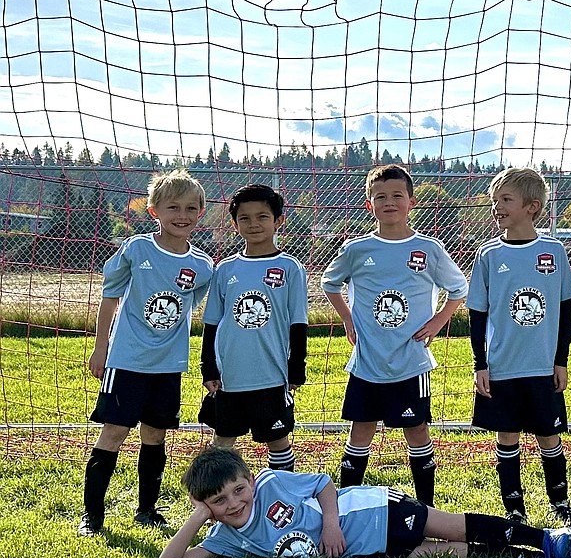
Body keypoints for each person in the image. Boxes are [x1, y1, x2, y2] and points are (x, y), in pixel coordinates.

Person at [156, 447, 571, 558]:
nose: (233, 503)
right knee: (439, 553)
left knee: (453, 529)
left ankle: (546, 540)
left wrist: (329, 527)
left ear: (249, 479)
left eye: (237, 490)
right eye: (218, 501)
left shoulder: (270, 482)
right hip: (366, 552)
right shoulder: (226, 536)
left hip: (370, 511)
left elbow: (324, 484)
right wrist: (196, 518)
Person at [322, 165, 468, 506]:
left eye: (397, 196)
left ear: (411, 202)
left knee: (417, 431)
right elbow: (329, 284)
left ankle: (428, 509)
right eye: (380, 197)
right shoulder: (356, 249)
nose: (389, 202)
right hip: (367, 362)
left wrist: (437, 321)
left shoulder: (428, 249)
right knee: (361, 431)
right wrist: (348, 320)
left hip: (411, 362)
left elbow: (458, 288)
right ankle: (347, 505)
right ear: (369, 205)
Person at [80, 170, 215, 536]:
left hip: (168, 366)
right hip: (127, 362)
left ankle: (147, 510)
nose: (182, 215)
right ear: (155, 211)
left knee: (155, 436)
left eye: (190, 207)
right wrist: (100, 348)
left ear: (200, 212)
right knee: (114, 433)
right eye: (173, 207)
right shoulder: (137, 249)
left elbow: (192, 307)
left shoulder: (203, 265)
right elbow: (110, 299)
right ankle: (92, 515)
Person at [467, 167, 571, 524]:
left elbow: (565, 309)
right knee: (507, 436)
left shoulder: (553, 251)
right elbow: (477, 313)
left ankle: (560, 504)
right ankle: (514, 508)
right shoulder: (487, 255)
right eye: (494, 200)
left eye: (505, 200)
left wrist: (560, 360)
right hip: (502, 367)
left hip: (542, 367)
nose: (496, 207)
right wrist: (479, 364)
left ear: (531, 207)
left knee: (549, 435)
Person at [199, 184, 308, 472]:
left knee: (278, 441)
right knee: (222, 442)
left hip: (271, 375)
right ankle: (216, 506)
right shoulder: (225, 269)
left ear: (278, 221)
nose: (253, 224)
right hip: (230, 376)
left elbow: (298, 323)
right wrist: (208, 367)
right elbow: (212, 323)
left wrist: (296, 366)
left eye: (262, 216)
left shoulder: (290, 267)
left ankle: (284, 500)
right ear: (235, 225)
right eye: (244, 218)